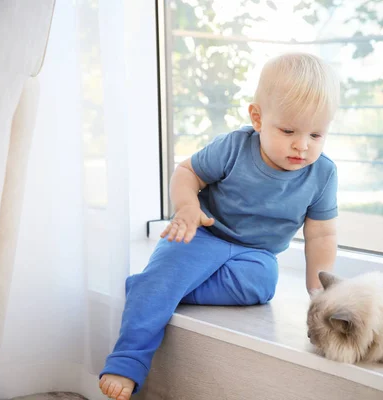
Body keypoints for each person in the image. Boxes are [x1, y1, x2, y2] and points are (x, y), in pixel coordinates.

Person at [99, 52, 341, 400]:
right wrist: (187, 207)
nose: (302, 146)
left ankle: (156, 287)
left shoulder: (323, 174)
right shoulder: (235, 147)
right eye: (288, 130)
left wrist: (320, 292)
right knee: (168, 274)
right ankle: (126, 361)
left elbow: (321, 233)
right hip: (201, 232)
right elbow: (188, 171)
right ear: (257, 118)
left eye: (316, 135)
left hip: (254, 254)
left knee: (262, 284)